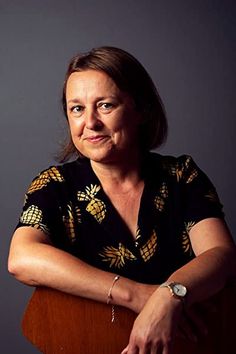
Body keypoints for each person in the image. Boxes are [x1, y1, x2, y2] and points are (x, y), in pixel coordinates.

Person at [8, 46, 236, 354]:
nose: (90, 122)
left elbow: (221, 254)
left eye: (105, 105)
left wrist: (169, 296)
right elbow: (21, 258)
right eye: (77, 109)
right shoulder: (54, 186)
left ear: (140, 110)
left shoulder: (182, 176)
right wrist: (139, 296)